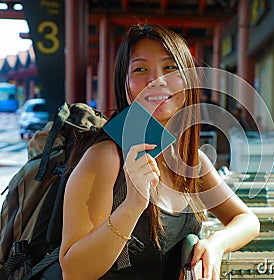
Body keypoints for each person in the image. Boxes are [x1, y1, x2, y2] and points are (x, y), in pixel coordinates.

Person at [59, 24, 259, 280]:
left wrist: (216, 244)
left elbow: (247, 220)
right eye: (140, 69)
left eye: (170, 68)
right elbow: (73, 272)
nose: (156, 80)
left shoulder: (192, 160)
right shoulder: (105, 157)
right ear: (127, 88)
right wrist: (133, 205)